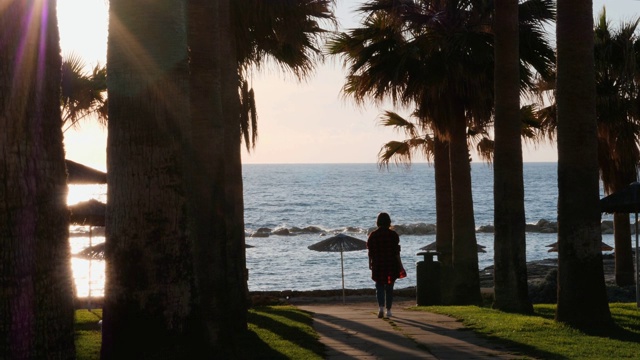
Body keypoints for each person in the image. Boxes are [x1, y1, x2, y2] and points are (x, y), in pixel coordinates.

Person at [367, 212, 402, 318]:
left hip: (378, 263)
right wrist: (400, 264)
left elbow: (370, 251)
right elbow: (396, 251)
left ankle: (381, 308)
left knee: (379, 286)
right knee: (390, 287)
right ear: (389, 222)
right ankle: (389, 310)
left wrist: (370, 263)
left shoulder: (373, 235)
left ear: (378, 222)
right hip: (391, 263)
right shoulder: (393, 235)